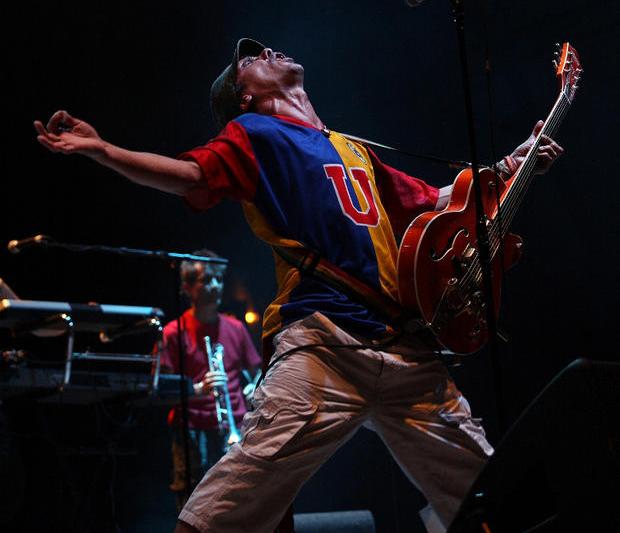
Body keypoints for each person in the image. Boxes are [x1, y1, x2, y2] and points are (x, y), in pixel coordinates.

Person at [34, 38, 563, 533]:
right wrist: (102, 150)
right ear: (247, 95)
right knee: (232, 499)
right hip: (323, 344)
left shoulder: (351, 149)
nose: (266, 49)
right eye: (251, 58)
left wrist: (509, 167)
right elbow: (188, 175)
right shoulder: (254, 134)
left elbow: (437, 200)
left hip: (406, 351)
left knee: (487, 493)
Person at [158, 249, 262, 511]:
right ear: (187, 287)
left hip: (234, 426)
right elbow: (160, 387)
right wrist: (197, 389)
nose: (215, 286)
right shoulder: (173, 332)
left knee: (236, 498)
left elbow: (258, 370)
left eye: (218, 280)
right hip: (191, 429)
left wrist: (253, 386)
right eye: (206, 280)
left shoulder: (235, 327)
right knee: (193, 499)